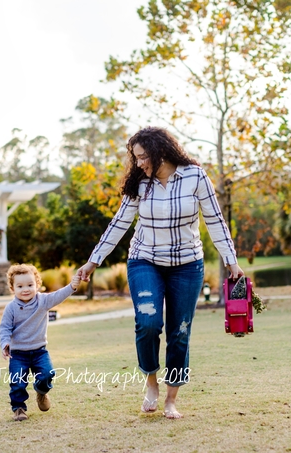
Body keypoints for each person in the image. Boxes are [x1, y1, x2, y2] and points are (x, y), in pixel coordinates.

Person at [77, 126, 244, 419]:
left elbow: (215, 221)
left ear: (159, 151)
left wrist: (231, 261)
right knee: (149, 322)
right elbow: (119, 223)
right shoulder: (140, 183)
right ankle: (151, 383)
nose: (138, 163)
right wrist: (94, 260)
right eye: (136, 158)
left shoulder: (195, 177)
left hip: (187, 265)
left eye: (143, 157)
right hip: (145, 259)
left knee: (179, 332)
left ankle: (170, 399)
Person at [0, 263, 80, 421]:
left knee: (48, 374)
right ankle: (19, 409)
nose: (26, 289)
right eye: (20, 286)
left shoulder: (43, 301)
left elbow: (59, 295)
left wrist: (72, 286)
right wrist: (5, 343)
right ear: (12, 288)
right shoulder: (11, 308)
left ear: (37, 284)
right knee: (17, 383)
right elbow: (4, 328)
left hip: (39, 351)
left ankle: (41, 392)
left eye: (30, 284)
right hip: (18, 354)